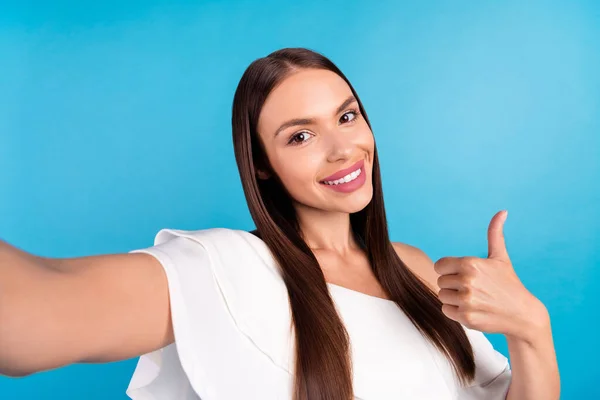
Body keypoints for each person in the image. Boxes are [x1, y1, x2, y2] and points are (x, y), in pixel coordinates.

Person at [0, 47, 559, 400]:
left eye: (347, 115)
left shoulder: (414, 268)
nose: (345, 148)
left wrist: (531, 329)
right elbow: (29, 320)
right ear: (262, 165)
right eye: (301, 135)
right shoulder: (224, 269)